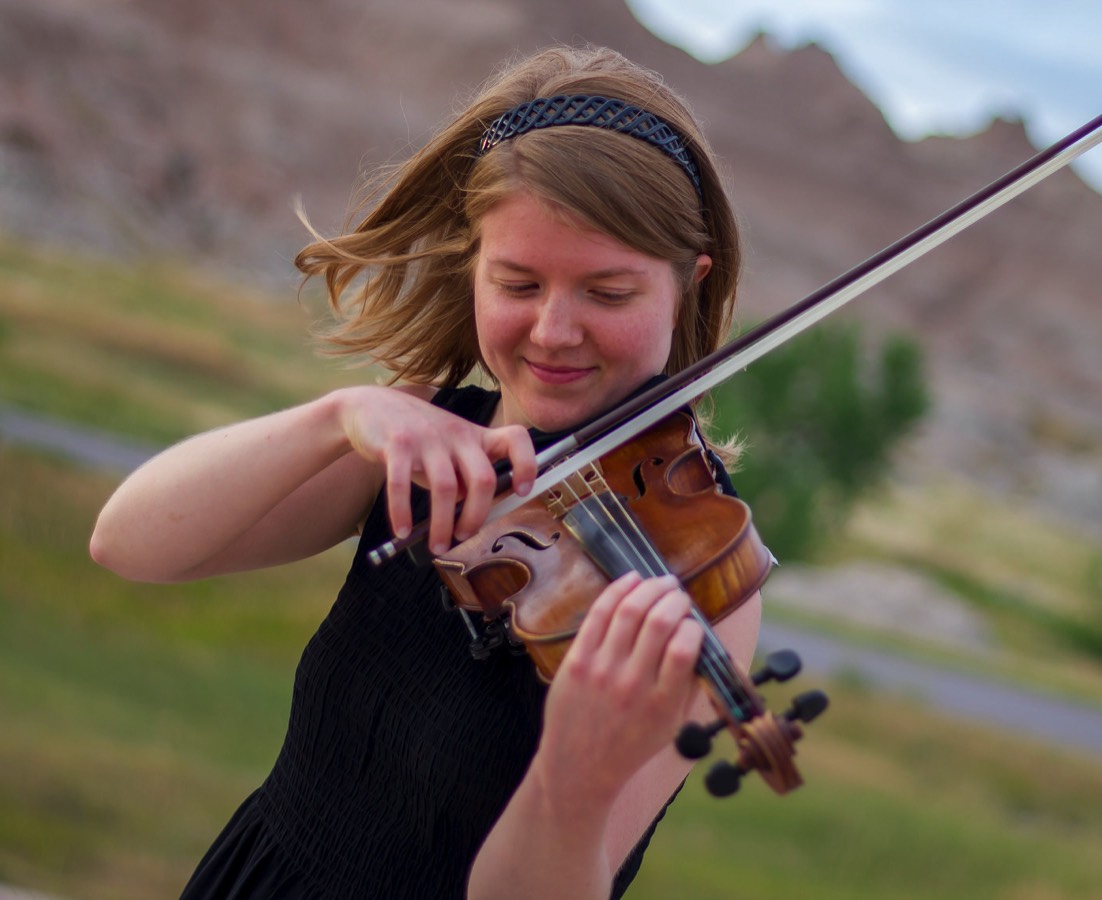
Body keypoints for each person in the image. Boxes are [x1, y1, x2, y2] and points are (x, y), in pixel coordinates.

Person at [90, 44, 762, 899]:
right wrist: (335, 419)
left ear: (687, 285)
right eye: (518, 283)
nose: (555, 331)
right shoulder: (422, 437)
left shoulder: (697, 575)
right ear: (472, 266)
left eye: (608, 293)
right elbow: (130, 544)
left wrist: (573, 776)